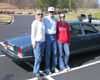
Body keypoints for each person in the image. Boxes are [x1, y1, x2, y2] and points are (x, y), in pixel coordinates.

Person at [43, 7, 59, 75]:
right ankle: (47, 68)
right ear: (48, 12)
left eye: (52, 12)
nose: (51, 13)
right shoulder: (45, 19)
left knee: (55, 53)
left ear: (54, 12)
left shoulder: (56, 19)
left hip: (54, 36)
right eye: (50, 12)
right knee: (48, 53)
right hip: (48, 36)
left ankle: (54, 67)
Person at [31, 10, 45, 80]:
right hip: (37, 42)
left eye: (41, 14)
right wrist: (33, 43)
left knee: (39, 58)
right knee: (38, 58)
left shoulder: (43, 22)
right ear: (36, 15)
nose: (40, 15)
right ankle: (37, 73)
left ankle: (35, 71)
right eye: (39, 14)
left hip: (43, 42)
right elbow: (33, 34)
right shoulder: (35, 22)